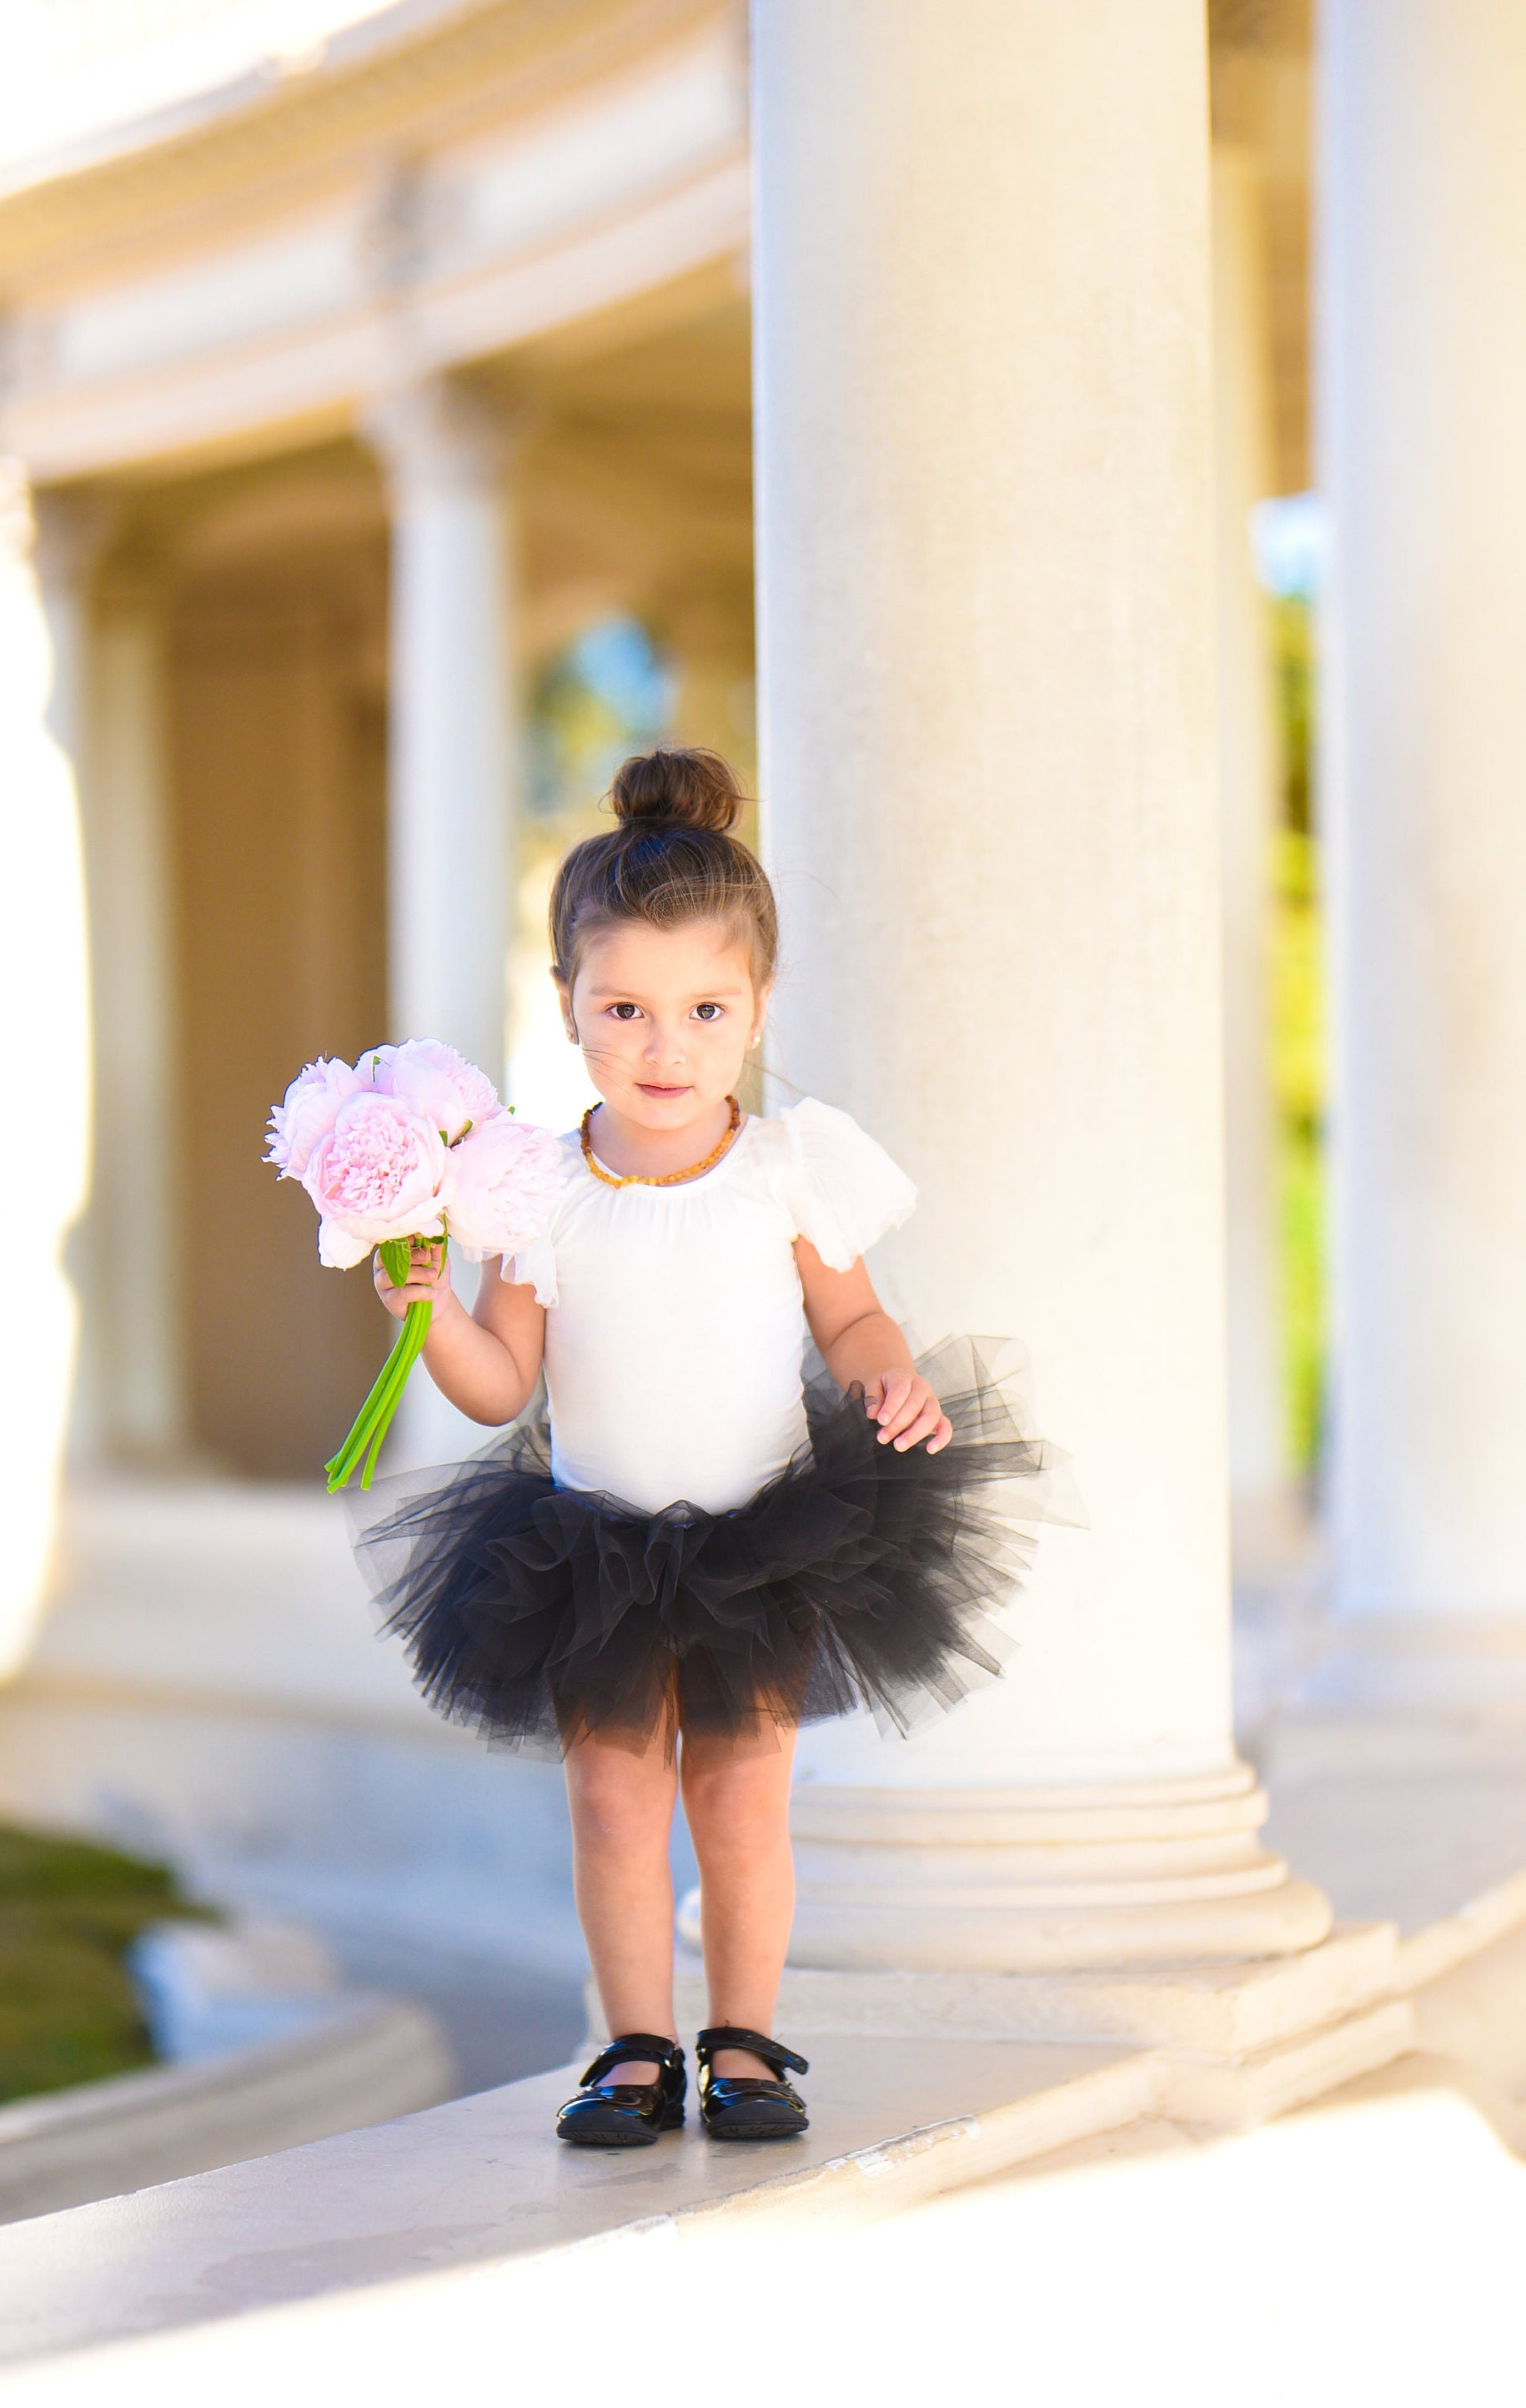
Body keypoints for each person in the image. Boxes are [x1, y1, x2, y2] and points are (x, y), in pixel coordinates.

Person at [355, 747, 1063, 2149]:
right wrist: (426, 1309)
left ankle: (741, 2039)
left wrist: (889, 1384)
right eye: (622, 1007)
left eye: (700, 1009)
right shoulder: (537, 1192)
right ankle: (632, 2046)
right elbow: (503, 1388)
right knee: (615, 1808)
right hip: (591, 1549)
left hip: (762, 1541)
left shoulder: (788, 1166)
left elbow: (852, 1318)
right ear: (564, 1004)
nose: (661, 1046)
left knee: (740, 1805)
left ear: (754, 1010)